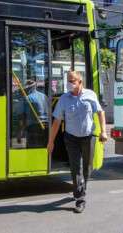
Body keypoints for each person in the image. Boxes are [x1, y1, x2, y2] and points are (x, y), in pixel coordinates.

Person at [47, 71, 107, 213]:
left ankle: (81, 188)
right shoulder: (64, 99)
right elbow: (56, 121)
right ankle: (81, 199)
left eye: (72, 80)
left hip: (88, 137)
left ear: (80, 82)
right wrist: (51, 141)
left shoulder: (90, 95)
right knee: (75, 168)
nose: (69, 83)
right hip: (71, 138)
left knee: (87, 167)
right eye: (68, 80)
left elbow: (100, 112)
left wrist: (103, 131)